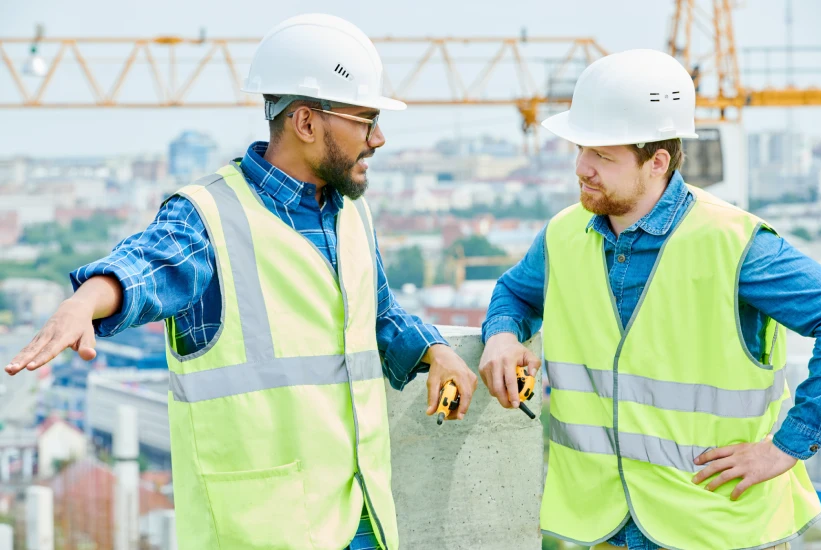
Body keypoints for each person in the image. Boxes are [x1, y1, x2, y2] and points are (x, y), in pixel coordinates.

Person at [4, 14, 477, 550]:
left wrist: (433, 349)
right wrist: (85, 301)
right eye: (365, 120)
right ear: (305, 122)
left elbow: (376, 317)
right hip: (262, 531)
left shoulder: (348, 215)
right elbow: (149, 265)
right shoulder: (210, 218)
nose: (379, 138)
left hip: (361, 516)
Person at [478, 48, 821, 550]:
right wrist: (502, 335)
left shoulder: (736, 244)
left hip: (716, 526)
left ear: (657, 161)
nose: (582, 168)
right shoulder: (563, 235)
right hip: (607, 525)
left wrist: (787, 447)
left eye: (602, 155)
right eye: (580, 149)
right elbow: (513, 292)